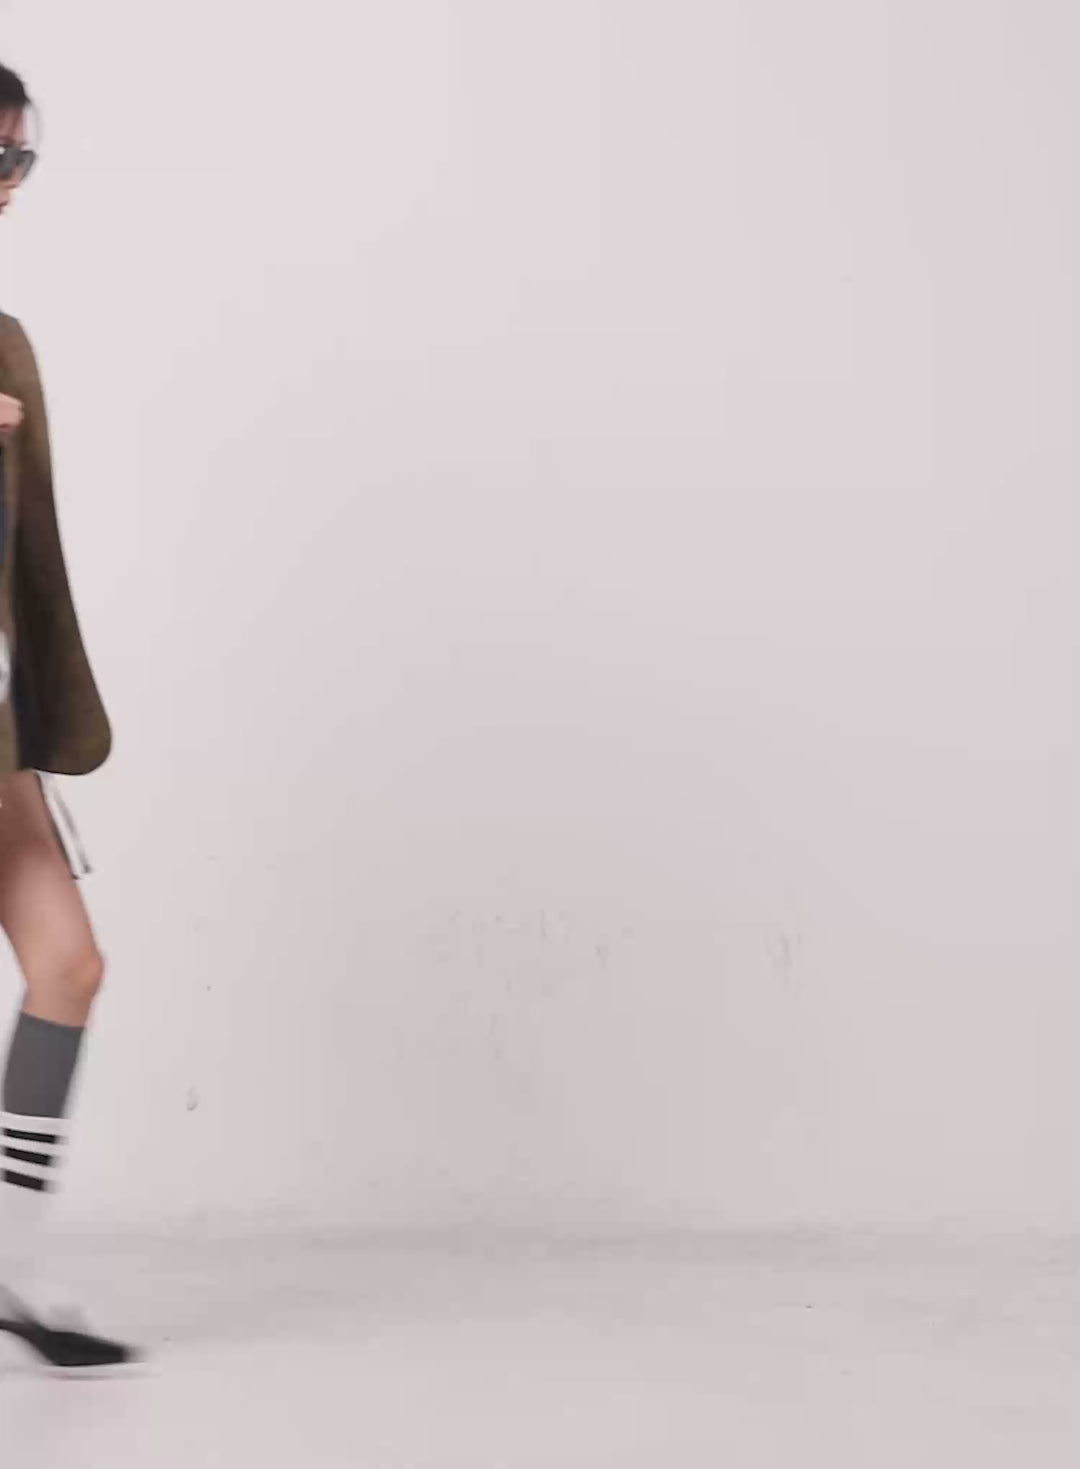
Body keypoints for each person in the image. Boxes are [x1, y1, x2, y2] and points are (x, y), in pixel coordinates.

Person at [0, 61, 136, 1371]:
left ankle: (12, 1271)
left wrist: (34, 735)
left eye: (18, 159)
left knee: (69, 964)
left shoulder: (5, 343)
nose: (7, 185)